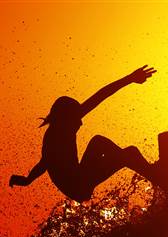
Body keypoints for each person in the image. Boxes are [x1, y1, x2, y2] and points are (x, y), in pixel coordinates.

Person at [9, 65, 156, 202]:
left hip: (79, 178)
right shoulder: (56, 135)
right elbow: (45, 163)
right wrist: (27, 180)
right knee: (113, 147)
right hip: (77, 185)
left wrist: (130, 78)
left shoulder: (64, 124)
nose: (80, 122)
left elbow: (100, 96)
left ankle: (150, 173)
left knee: (123, 150)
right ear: (66, 118)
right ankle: (156, 176)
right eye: (76, 118)